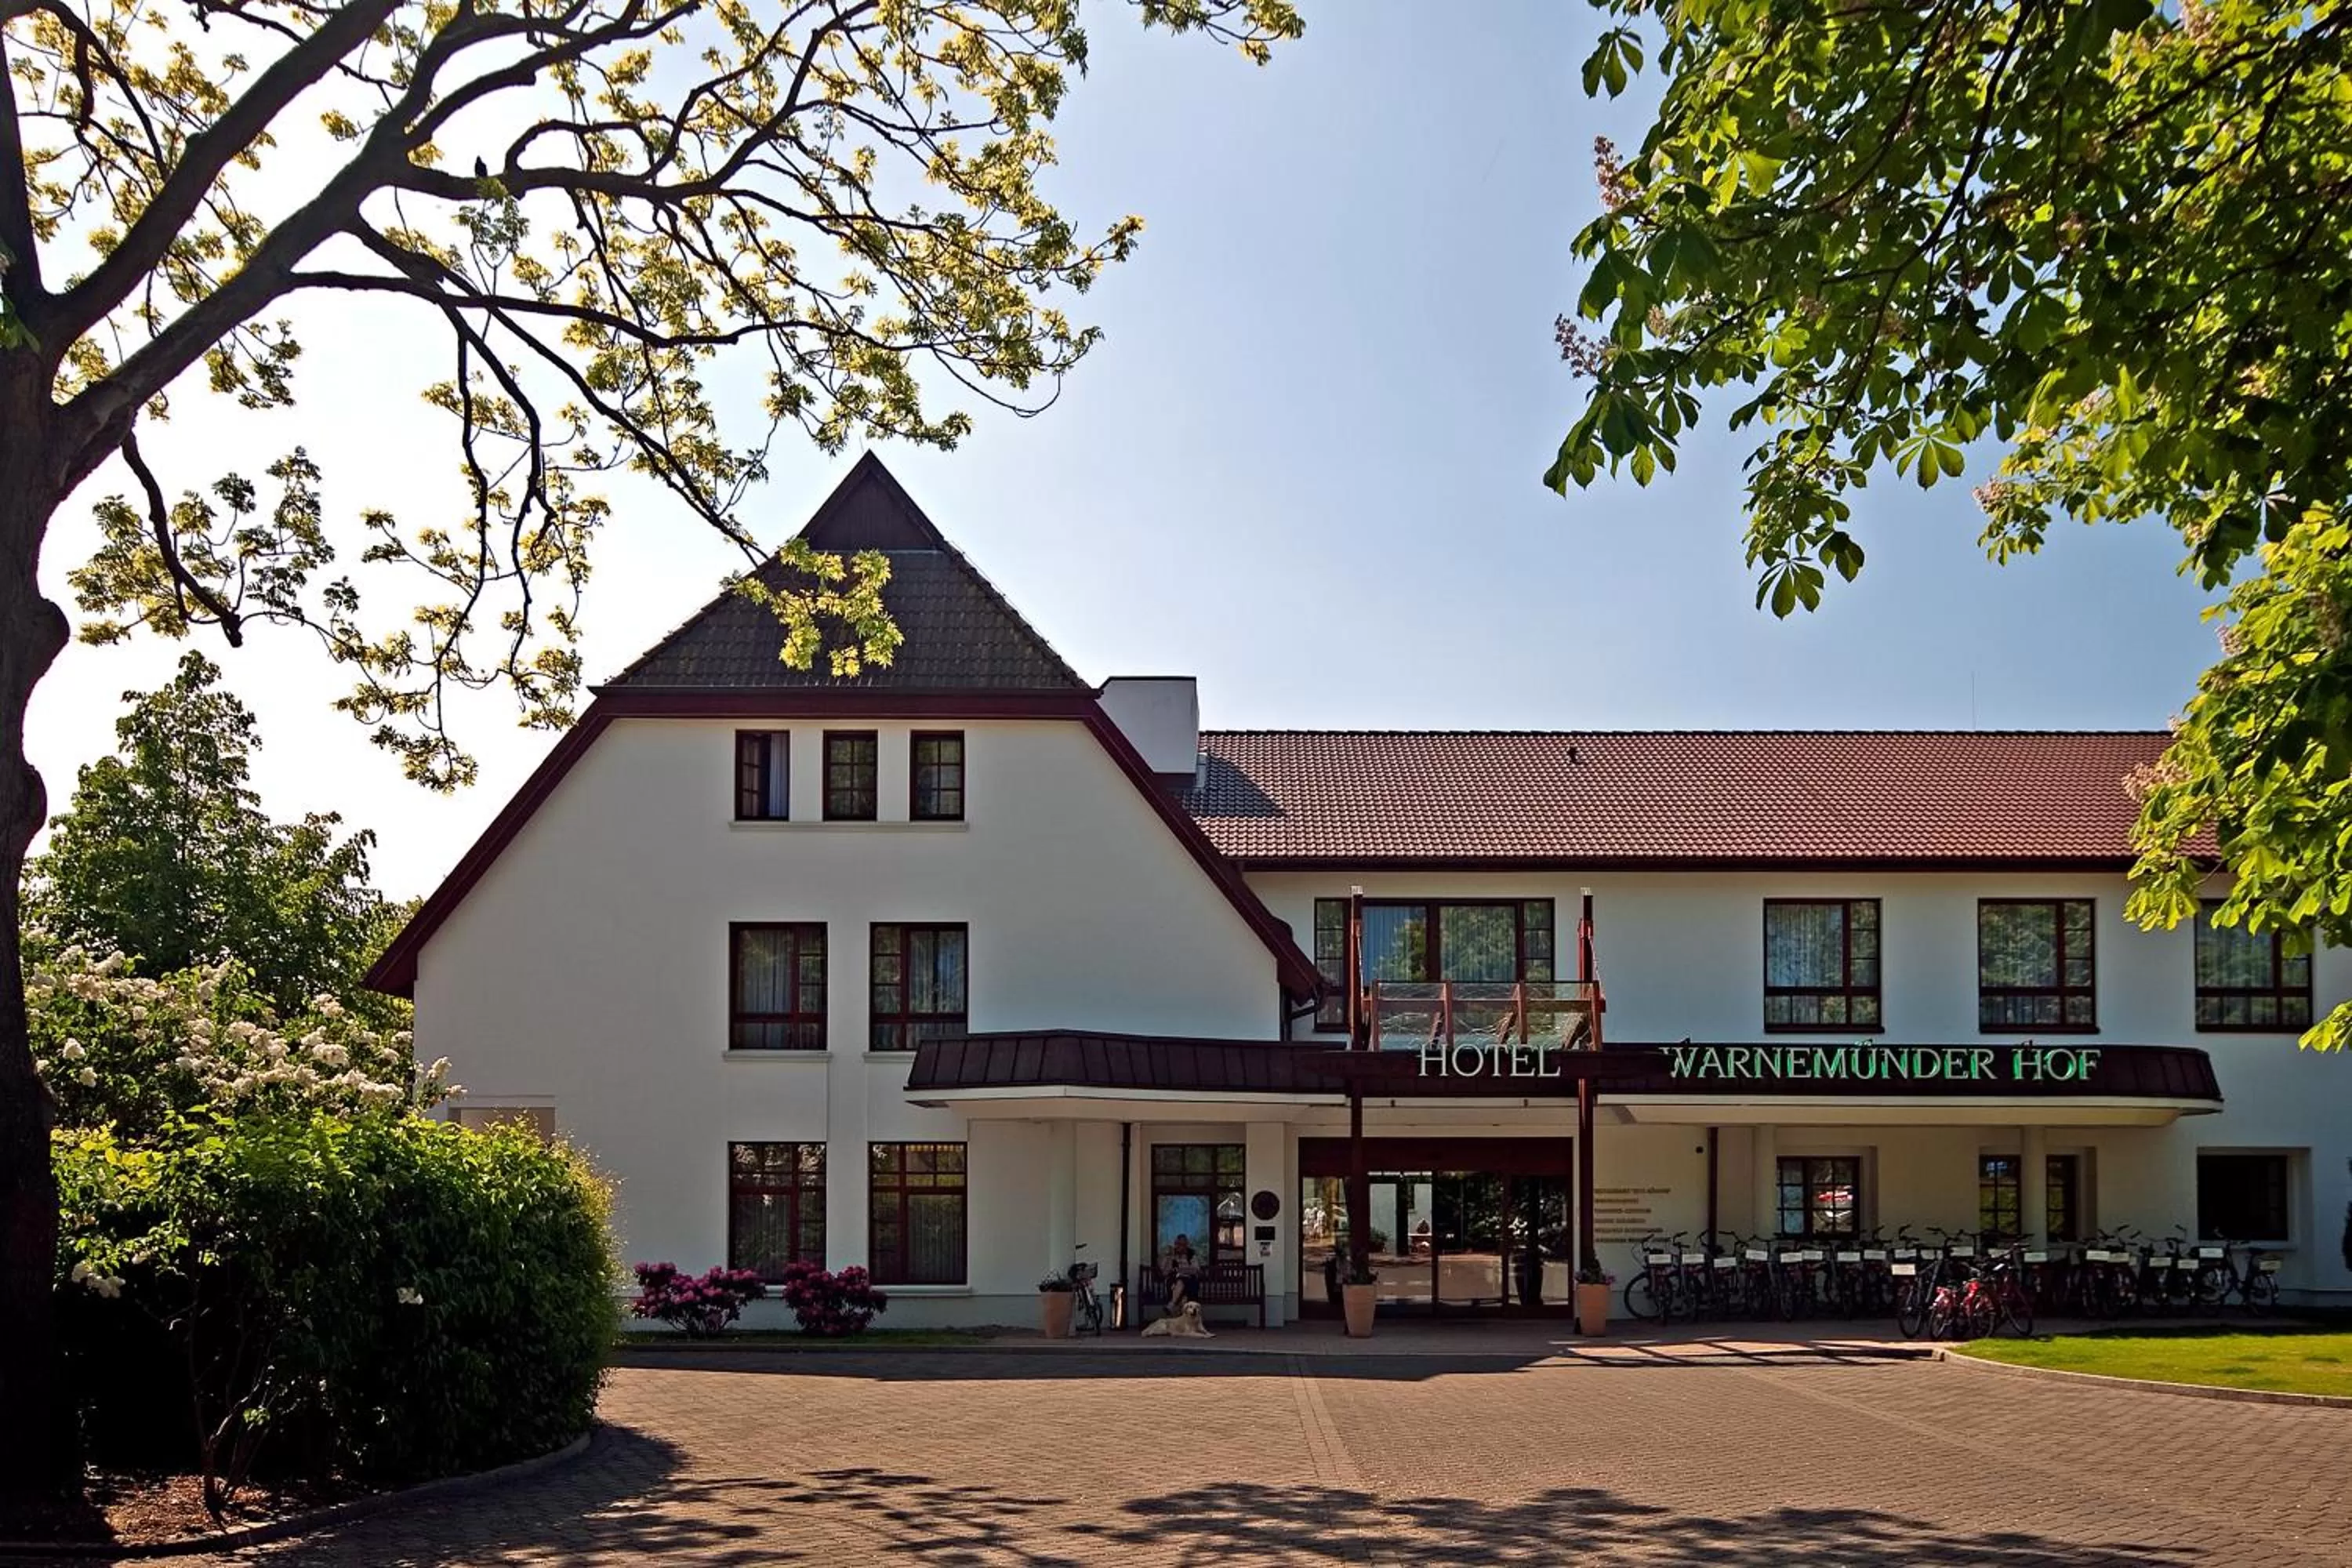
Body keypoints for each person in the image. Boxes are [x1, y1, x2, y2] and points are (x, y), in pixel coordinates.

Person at [1160, 1234, 1203, 1309]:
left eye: (1184, 1245)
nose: (1182, 1247)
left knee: (1185, 1283)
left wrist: (1189, 1270)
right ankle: (1178, 1308)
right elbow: (1164, 1272)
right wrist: (1169, 1257)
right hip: (1174, 1281)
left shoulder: (1191, 1255)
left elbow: (1197, 1270)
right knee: (1180, 1283)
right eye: (1179, 1244)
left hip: (1189, 1281)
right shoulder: (1171, 1255)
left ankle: (1171, 1305)